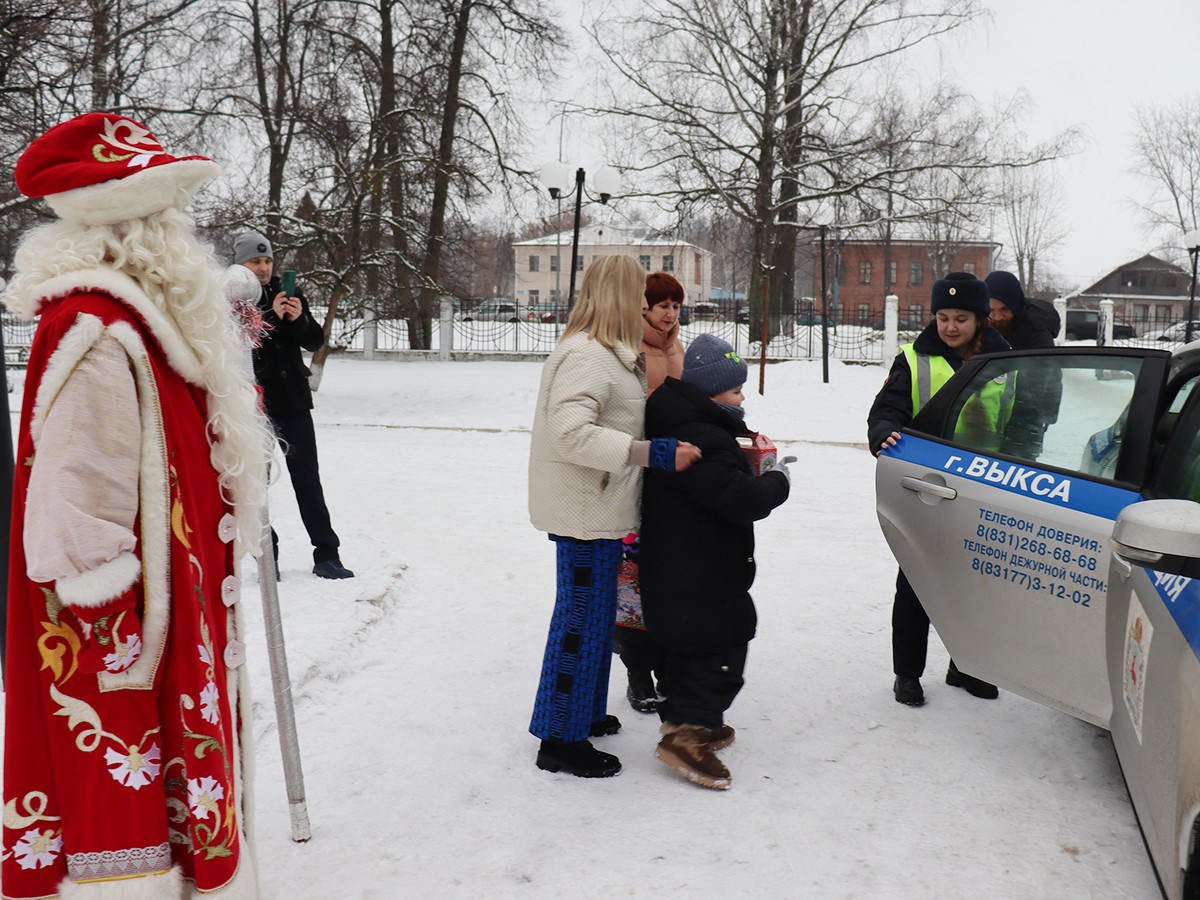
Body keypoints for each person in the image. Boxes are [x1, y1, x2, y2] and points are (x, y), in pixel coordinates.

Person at [3, 112, 268, 898]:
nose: (183, 234)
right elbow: (77, 508)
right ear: (128, 227)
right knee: (130, 827)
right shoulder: (98, 328)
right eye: (168, 217)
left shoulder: (144, 321)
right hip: (124, 644)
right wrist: (124, 651)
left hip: (169, 617)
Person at [528, 255, 701, 779]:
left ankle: (578, 709)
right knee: (581, 622)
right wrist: (653, 453)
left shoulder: (606, 352)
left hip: (598, 505)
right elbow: (572, 434)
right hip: (586, 509)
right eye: (639, 297)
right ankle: (561, 738)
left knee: (593, 617)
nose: (647, 308)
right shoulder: (588, 356)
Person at [638, 334, 791, 790]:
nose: (743, 398)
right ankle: (689, 733)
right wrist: (776, 481)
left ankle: (682, 719)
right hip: (701, 566)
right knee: (726, 638)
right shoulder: (704, 436)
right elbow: (739, 499)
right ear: (711, 393)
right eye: (736, 390)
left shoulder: (679, 419)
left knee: (687, 642)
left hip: (678, 562)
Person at [867, 272, 1011, 707]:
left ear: (981, 319)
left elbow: (1026, 420)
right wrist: (884, 433)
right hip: (926, 489)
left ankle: (967, 667)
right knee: (916, 583)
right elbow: (886, 411)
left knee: (973, 586)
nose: (950, 326)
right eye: (943, 317)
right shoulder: (912, 359)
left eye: (961, 318)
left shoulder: (1012, 360)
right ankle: (907, 674)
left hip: (986, 489)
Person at [234, 231, 353, 580]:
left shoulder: (289, 292)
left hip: (293, 402)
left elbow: (315, 339)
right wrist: (270, 317)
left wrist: (297, 319)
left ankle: (327, 554)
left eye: (267, 260)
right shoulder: (232, 298)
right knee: (257, 483)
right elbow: (239, 343)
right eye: (256, 261)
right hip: (253, 404)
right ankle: (266, 558)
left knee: (307, 479)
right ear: (241, 263)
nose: (264, 267)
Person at [613, 271, 687, 714]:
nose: (670, 313)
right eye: (663, 305)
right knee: (633, 579)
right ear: (644, 306)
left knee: (668, 574)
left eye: (676, 306)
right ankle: (638, 675)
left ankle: (666, 669)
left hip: (671, 469)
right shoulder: (628, 345)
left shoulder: (676, 343)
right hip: (638, 466)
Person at [986, 269, 1063, 458]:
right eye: (991, 310)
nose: (997, 317)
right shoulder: (985, 326)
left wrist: (1038, 422)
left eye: (1004, 309)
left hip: (1027, 415)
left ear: (1015, 306)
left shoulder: (1036, 331)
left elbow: (1045, 377)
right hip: (994, 411)